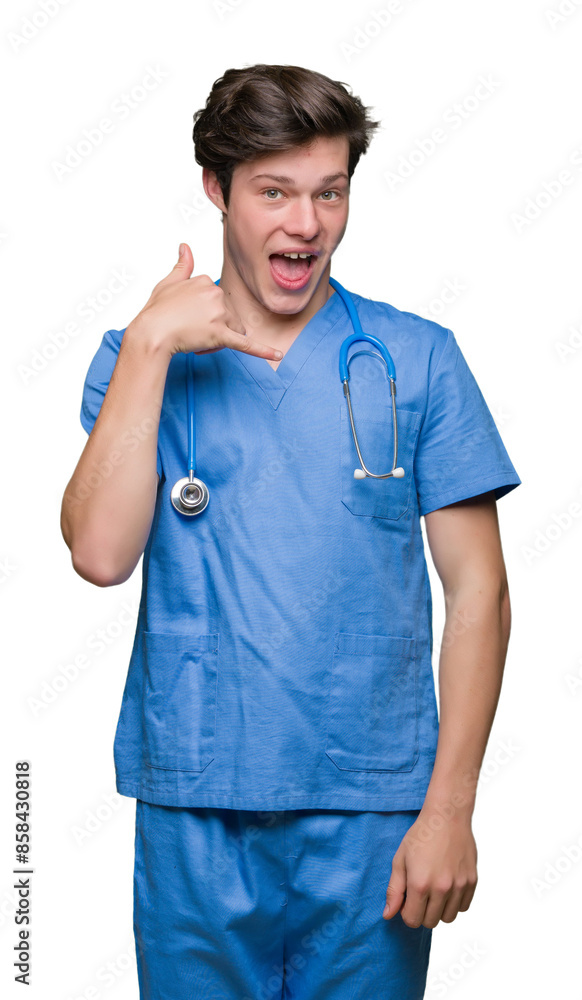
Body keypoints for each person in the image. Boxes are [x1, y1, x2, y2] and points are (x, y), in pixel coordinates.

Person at [60, 63, 521, 1000]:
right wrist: (151, 346)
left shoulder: (415, 358)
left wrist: (451, 808)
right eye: (274, 192)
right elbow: (101, 556)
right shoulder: (139, 361)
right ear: (215, 189)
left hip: (375, 815)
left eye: (329, 193)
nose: (305, 226)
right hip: (196, 806)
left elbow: (479, 591)